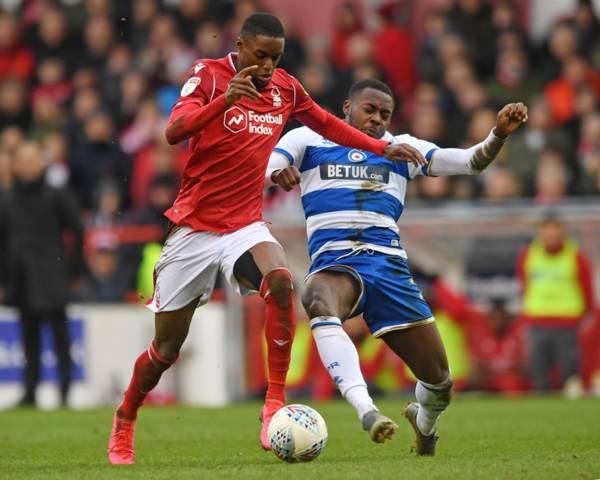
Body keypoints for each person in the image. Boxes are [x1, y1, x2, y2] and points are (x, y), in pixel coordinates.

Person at [107, 13, 423, 464]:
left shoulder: (286, 89)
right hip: (194, 229)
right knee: (166, 349)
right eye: (260, 56)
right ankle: (126, 415)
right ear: (239, 47)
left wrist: (380, 147)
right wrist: (225, 101)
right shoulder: (208, 75)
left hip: (244, 225)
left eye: (276, 57)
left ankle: (274, 401)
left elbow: (327, 125)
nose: (268, 66)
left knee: (279, 279)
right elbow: (174, 131)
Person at [266, 79, 527, 455]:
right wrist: (278, 173)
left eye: (385, 114)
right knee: (317, 298)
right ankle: (366, 410)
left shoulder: (402, 148)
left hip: (389, 271)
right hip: (337, 264)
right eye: (369, 110)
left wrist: (497, 134)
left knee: (440, 382)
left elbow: (472, 162)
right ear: (347, 108)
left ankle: (425, 424)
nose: (377, 119)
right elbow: (268, 166)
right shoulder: (308, 139)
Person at [0, 141, 83, 407]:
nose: (27, 166)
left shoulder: (55, 195)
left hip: (52, 277)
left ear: (41, 163)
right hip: (21, 279)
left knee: (60, 337)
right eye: (22, 160)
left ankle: (65, 393)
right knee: (29, 339)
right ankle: (29, 393)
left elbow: (77, 229)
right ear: (16, 165)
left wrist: (74, 269)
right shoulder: (7, 199)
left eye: (32, 160)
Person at [516, 214, 594, 392]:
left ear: (563, 232)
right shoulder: (529, 255)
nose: (551, 235)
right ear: (539, 233)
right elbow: (524, 285)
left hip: (567, 323)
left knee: (570, 373)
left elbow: (587, 288)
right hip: (537, 322)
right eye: (547, 230)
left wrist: (583, 316)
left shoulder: (575, 255)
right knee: (538, 372)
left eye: (555, 230)